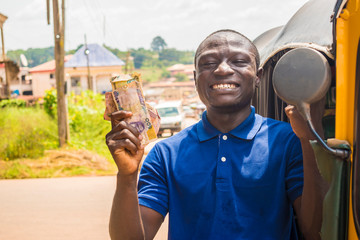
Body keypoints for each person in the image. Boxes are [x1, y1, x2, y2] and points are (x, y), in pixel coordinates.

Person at [106, 29, 327, 240]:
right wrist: (126, 176)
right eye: (209, 63)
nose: (222, 69)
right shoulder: (165, 155)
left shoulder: (288, 141)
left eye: (239, 61)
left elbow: (313, 230)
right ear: (195, 78)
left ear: (258, 76)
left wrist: (308, 140)